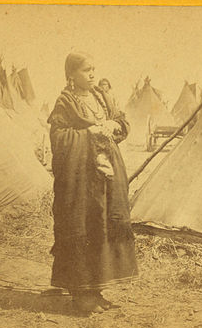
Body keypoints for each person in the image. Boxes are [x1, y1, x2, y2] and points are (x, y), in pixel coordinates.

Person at [47, 52, 138, 314]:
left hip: (108, 177)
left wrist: (113, 125)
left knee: (103, 227)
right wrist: (88, 133)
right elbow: (59, 138)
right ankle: (80, 294)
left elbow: (123, 123)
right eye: (86, 70)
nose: (92, 74)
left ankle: (97, 290)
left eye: (94, 69)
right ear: (72, 74)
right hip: (80, 181)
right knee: (82, 228)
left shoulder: (102, 97)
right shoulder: (65, 102)